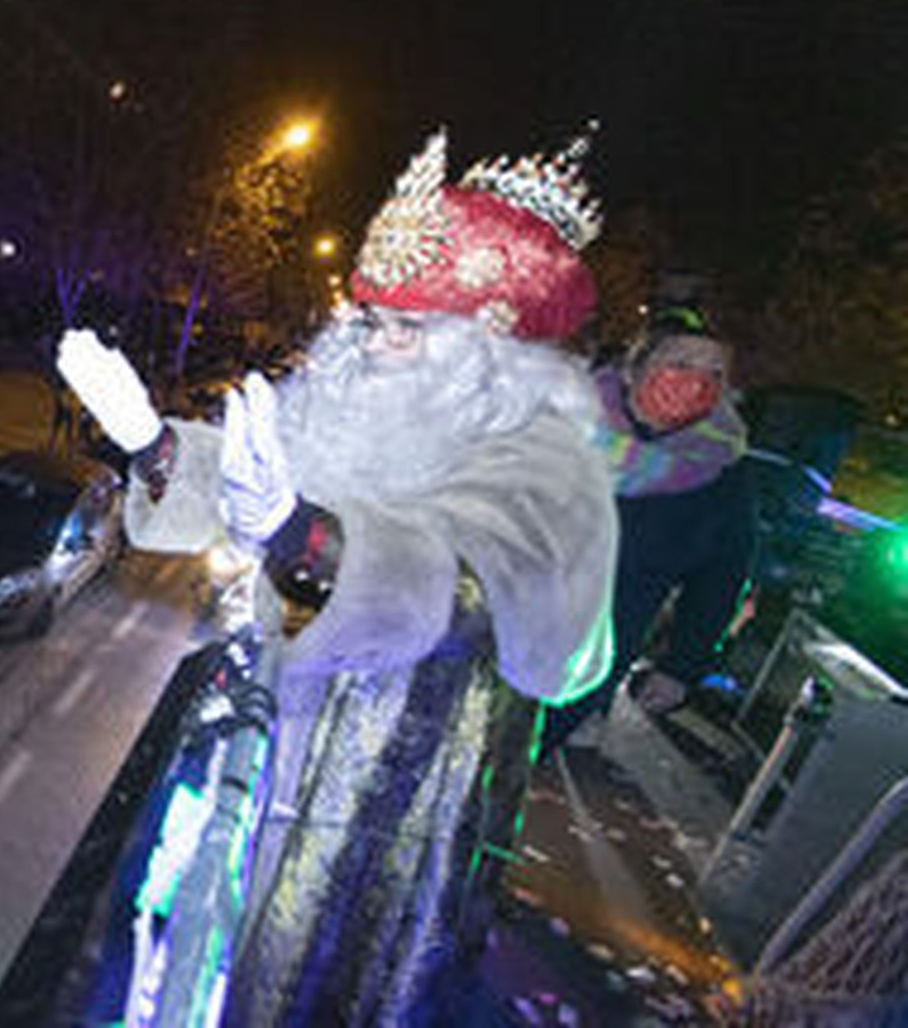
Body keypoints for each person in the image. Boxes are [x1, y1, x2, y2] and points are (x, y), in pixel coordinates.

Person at [58, 126, 617, 1023]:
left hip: (378, 814)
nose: (369, 341)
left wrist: (298, 534)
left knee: (301, 984)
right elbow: (267, 477)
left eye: (403, 325)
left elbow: (468, 592)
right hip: (258, 740)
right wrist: (153, 442)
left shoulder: (551, 465)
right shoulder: (370, 392)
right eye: (370, 316)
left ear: (488, 339)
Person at [543, 306, 755, 749]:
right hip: (501, 621)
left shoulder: (721, 471)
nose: (696, 381)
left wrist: (681, 667)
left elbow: (720, 577)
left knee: (512, 772)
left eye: (715, 372)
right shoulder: (561, 422)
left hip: (593, 657)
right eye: (680, 363)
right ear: (633, 369)